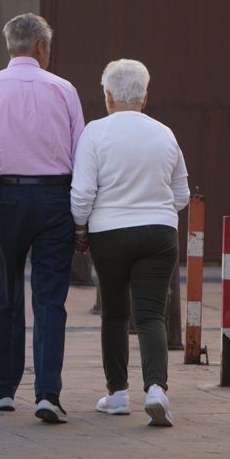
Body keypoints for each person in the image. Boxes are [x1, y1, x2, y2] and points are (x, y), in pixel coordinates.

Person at [0, 13, 85, 423]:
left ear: (9, 46)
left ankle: (1, 389)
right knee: (50, 298)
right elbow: (81, 152)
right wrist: (82, 214)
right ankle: (48, 393)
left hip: (7, 196)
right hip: (55, 198)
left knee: (7, 291)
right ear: (42, 48)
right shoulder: (64, 89)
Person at [71, 59, 188, 427]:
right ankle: (156, 389)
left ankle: (118, 394)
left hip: (109, 234)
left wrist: (80, 227)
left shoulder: (95, 132)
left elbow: (82, 193)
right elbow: (181, 192)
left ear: (107, 97)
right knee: (151, 315)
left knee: (116, 314)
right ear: (145, 96)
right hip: (158, 233)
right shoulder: (165, 133)